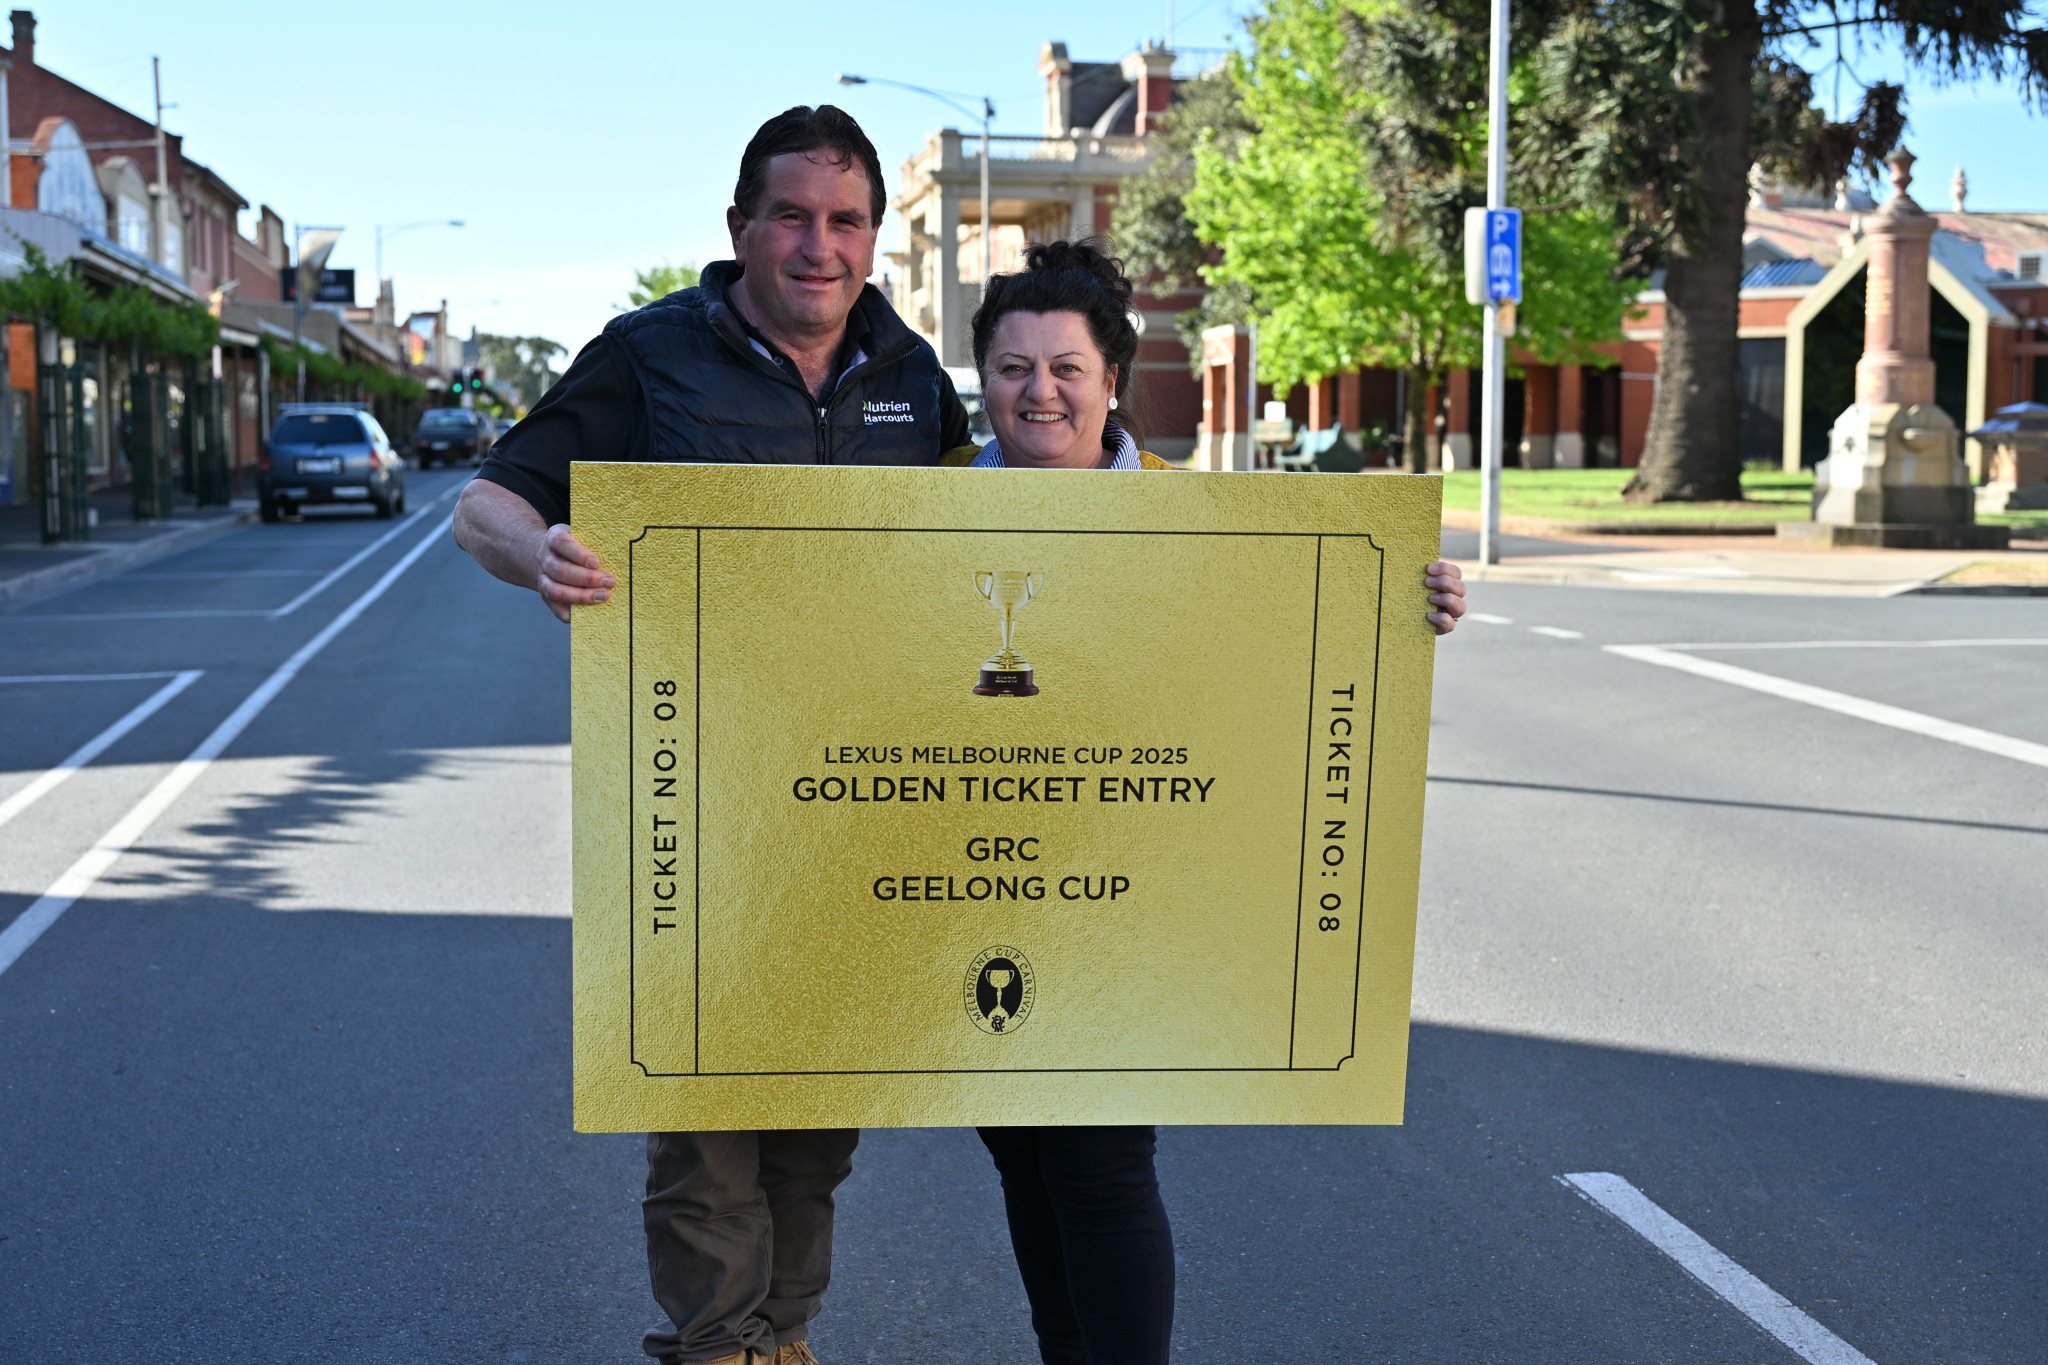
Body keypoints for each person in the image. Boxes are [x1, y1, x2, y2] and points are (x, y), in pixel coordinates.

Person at [454, 105, 969, 1365]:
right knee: (706, 1118)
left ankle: (781, 1336)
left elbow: (1033, 530)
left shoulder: (914, 379)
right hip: (697, 802)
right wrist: (541, 551)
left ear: (873, 237)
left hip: (862, 810)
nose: (817, 245)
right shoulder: (647, 356)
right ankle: (715, 1344)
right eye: (789, 216)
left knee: (816, 1116)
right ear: (739, 226)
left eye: (844, 220)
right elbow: (484, 504)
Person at [945, 237, 1466, 1365]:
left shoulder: (1203, 513)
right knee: (1020, 1150)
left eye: (1066, 367)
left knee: (1096, 1157)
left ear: (1112, 380)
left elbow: (1290, 642)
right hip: (977, 871)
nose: (1039, 392)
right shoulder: (924, 503)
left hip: (1132, 886)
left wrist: (1406, 598)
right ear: (981, 377)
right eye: (1013, 368)